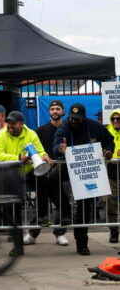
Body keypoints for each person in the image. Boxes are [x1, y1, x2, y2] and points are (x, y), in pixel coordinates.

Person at [50, 103, 114, 255]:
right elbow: (55, 144)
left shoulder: (94, 126)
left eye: (77, 119)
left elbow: (109, 140)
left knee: (85, 207)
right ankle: (65, 211)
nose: (74, 122)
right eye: (71, 118)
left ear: (84, 118)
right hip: (69, 165)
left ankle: (82, 242)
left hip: (87, 169)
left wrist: (108, 151)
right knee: (52, 179)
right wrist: (59, 149)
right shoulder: (65, 127)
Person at [0, 111, 52, 254]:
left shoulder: (31, 134)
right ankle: (18, 246)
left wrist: (44, 155)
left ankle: (41, 215)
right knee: (14, 208)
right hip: (11, 173)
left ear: (21, 124)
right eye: (8, 122)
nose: (9, 126)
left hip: (29, 170)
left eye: (13, 123)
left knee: (44, 178)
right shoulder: (2, 134)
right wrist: (17, 157)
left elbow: (39, 149)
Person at [24, 100, 69, 246]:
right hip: (43, 173)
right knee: (55, 203)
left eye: (58, 109)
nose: (55, 111)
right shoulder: (40, 130)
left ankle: (43, 233)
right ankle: (39, 233)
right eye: (52, 109)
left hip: (64, 173)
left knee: (57, 203)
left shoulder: (68, 130)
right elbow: (34, 149)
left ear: (63, 111)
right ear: (49, 112)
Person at [106, 109, 120, 243]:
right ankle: (114, 231)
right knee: (110, 201)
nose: (115, 121)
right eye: (113, 119)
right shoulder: (106, 131)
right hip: (111, 169)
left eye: (118, 118)